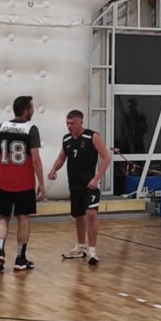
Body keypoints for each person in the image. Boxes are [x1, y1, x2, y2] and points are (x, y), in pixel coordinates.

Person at [48, 109, 111, 266]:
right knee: (78, 215)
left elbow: (106, 158)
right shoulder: (67, 139)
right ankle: (81, 247)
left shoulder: (92, 136)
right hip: (74, 184)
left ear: (81, 122)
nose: (69, 126)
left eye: (72, 123)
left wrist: (96, 178)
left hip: (90, 184)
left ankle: (92, 251)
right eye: (67, 123)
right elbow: (61, 158)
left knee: (91, 213)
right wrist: (54, 169)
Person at [0, 95, 45, 272]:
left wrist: (6, 169)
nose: (33, 111)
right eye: (32, 108)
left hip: (4, 181)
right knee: (23, 217)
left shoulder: (2, 127)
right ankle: (20, 258)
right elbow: (35, 159)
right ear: (25, 111)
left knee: (3, 217)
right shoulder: (31, 129)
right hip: (24, 183)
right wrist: (41, 183)